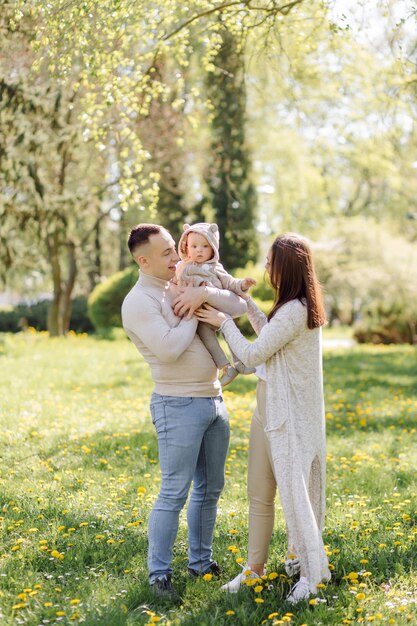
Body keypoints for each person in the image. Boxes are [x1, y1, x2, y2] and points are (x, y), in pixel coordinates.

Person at [195, 232, 331, 604]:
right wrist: (246, 303)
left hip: (287, 419)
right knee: (260, 496)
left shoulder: (295, 310)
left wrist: (224, 323)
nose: (267, 268)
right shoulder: (288, 308)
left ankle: (311, 574)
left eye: (271, 262)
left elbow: (255, 355)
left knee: (295, 497)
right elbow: (269, 335)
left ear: (285, 267)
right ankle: (254, 570)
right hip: (265, 415)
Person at [121, 223, 247, 601]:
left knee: (210, 488)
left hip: (212, 401)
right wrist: (195, 309)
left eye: (174, 249)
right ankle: (158, 576)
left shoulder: (182, 280)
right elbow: (170, 349)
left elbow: (238, 305)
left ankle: (200, 562)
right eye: (165, 253)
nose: (177, 257)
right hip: (176, 404)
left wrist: (203, 293)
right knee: (174, 492)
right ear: (143, 260)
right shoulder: (139, 301)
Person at [176, 222, 256, 386]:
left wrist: (243, 284)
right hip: (200, 316)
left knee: (229, 331)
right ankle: (226, 368)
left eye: (205, 246)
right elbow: (177, 284)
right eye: (194, 246)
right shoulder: (183, 267)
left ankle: (241, 362)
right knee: (208, 338)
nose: (199, 250)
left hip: (219, 309)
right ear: (186, 247)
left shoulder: (214, 268)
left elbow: (229, 283)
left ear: (213, 248)